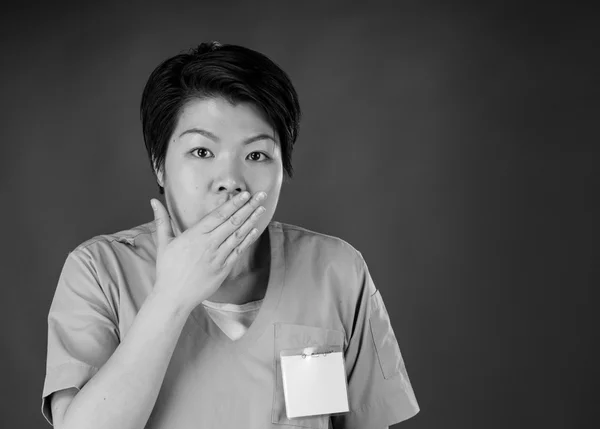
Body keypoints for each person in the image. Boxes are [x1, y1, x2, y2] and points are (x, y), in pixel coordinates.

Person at [41, 41, 420, 429]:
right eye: (202, 152)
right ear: (159, 165)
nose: (230, 182)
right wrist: (170, 298)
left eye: (256, 155)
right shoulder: (98, 271)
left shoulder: (337, 272)